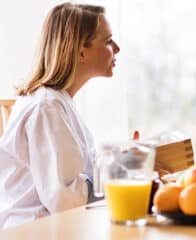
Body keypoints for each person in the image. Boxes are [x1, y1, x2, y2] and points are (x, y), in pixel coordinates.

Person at [0, 2, 120, 229]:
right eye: (107, 41)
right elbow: (65, 197)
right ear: (81, 52)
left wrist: (126, 165)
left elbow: (81, 173)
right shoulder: (46, 108)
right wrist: (122, 181)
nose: (117, 48)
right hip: (34, 231)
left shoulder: (59, 102)